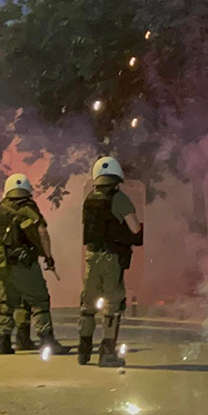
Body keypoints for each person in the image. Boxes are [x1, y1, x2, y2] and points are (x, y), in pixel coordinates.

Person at [0, 173, 68, 355]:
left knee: (6, 302)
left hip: (4, 264)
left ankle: (3, 340)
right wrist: (48, 257)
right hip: (25, 264)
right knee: (39, 299)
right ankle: (47, 339)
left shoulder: (0, 211)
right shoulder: (29, 209)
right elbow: (42, 233)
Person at [78, 156, 143, 367]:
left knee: (88, 303)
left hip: (92, 256)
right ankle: (107, 353)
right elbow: (134, 228)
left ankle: (84, 351)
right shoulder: (119, 198)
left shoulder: (89, 199)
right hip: (111, 258)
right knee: (113, 303)